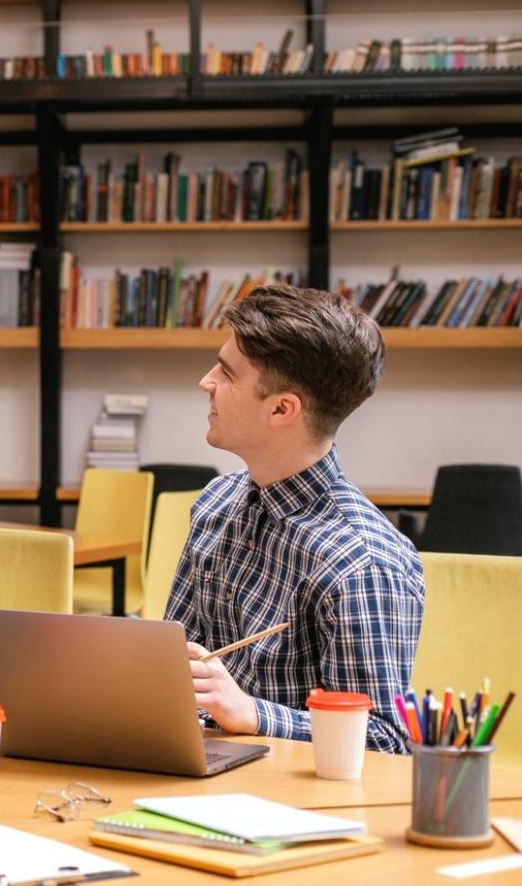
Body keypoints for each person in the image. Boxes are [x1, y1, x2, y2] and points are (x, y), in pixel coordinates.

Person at [166, 282, 425, 754]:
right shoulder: (215, 504)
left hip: (297, 806)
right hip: (195, 771)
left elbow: (386, 740)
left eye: (226, 374)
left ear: (282, 409)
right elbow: (169, 663)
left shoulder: (361, 563)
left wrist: (252, 714)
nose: (206, 382)